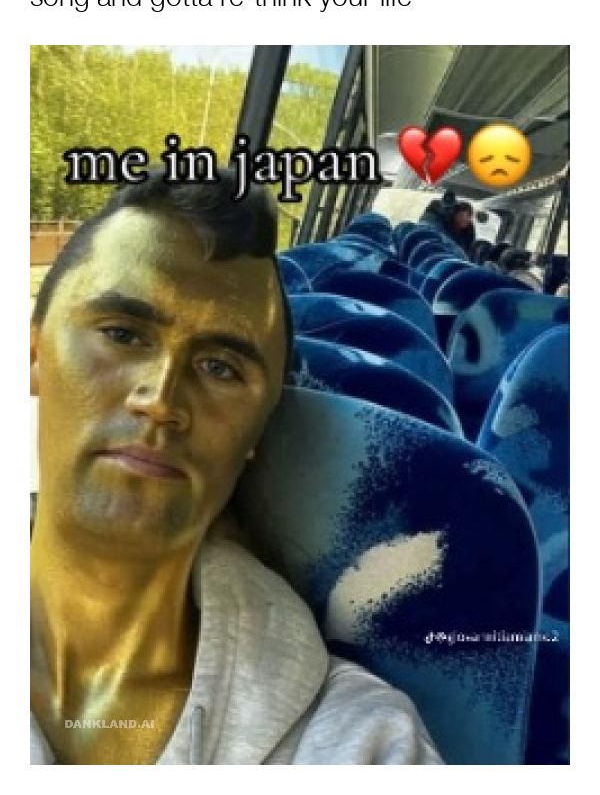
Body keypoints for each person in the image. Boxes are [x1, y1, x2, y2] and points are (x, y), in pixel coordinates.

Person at [30, 169, 442, 765]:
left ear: (258, 432)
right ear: (33, 355)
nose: (160, 400)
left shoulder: (366, 743)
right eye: (122, 334)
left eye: (221, 368)